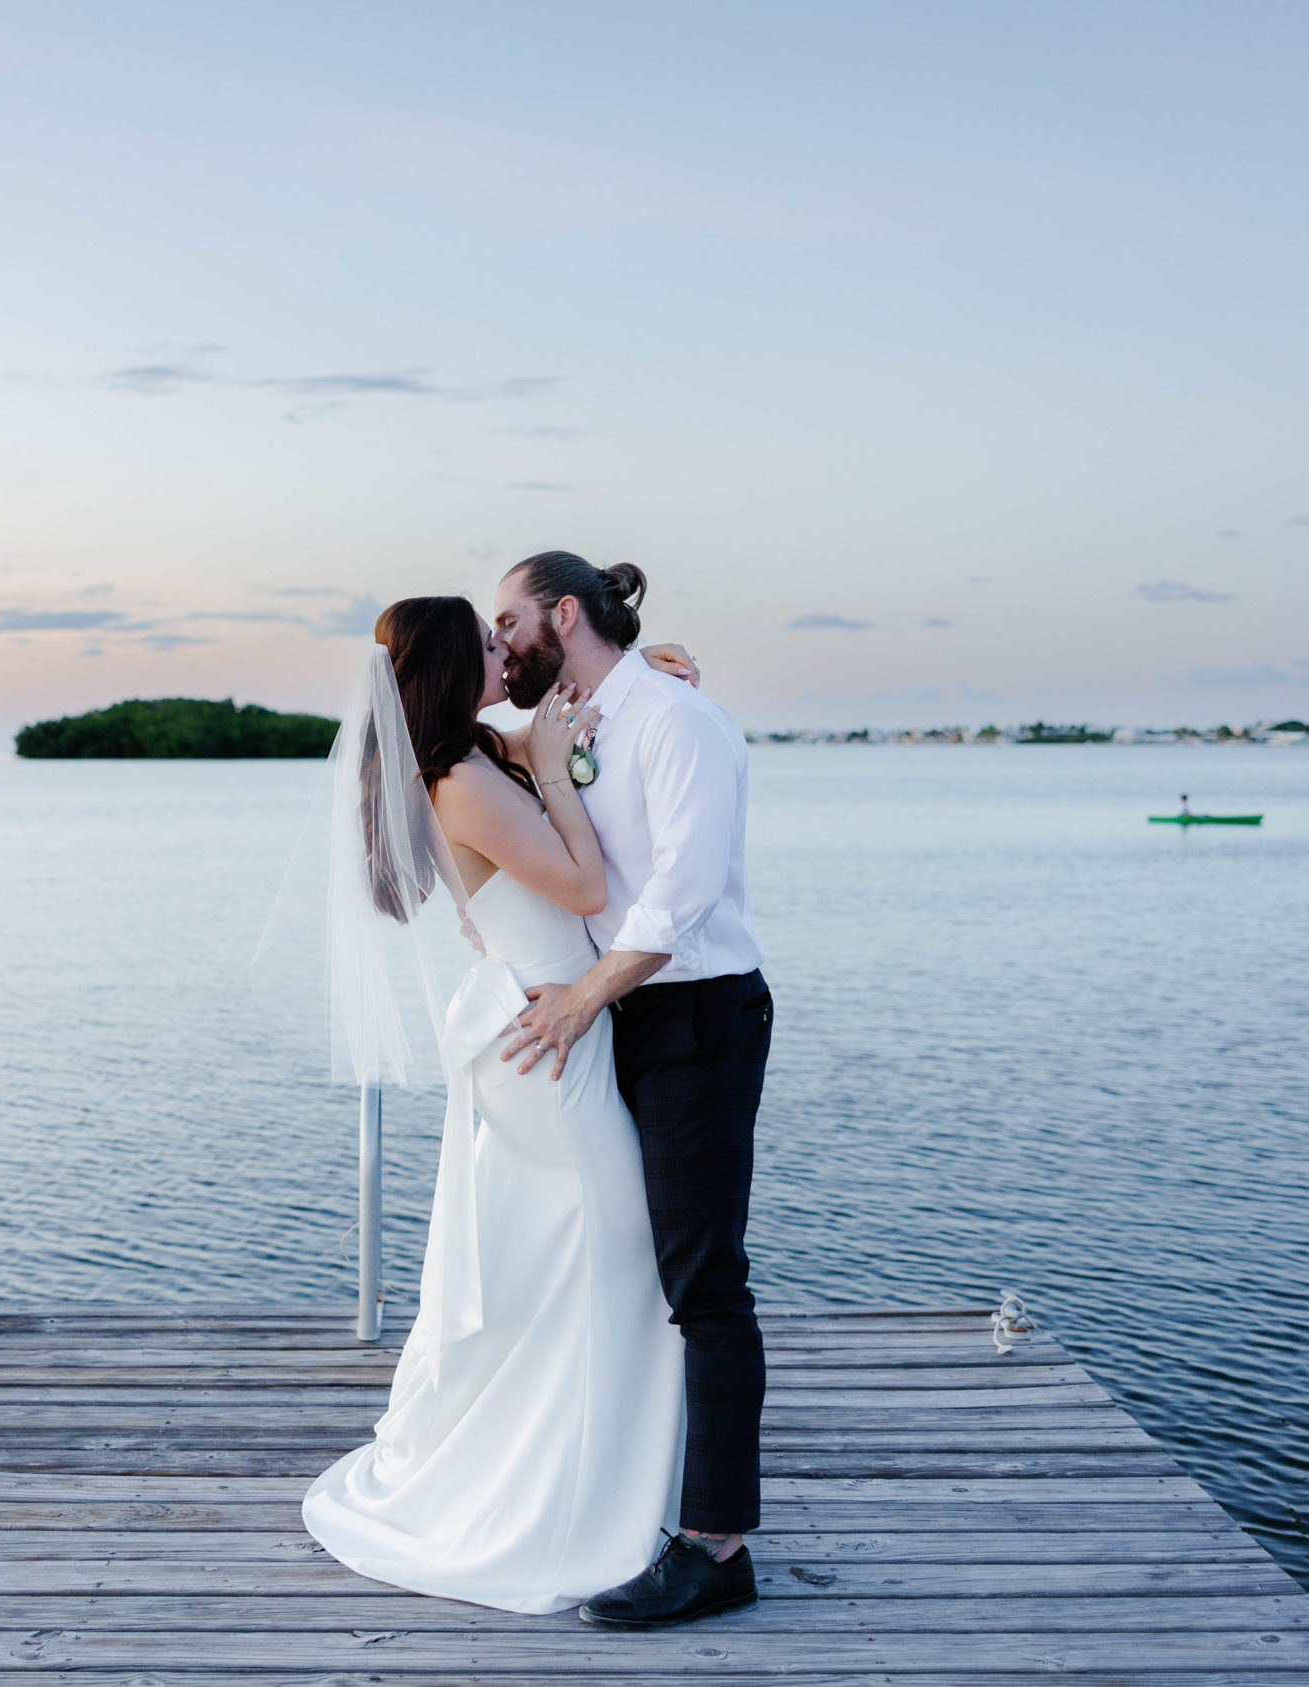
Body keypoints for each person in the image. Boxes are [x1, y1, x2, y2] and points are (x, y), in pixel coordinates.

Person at [298, 597, 706, 1614]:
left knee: (573, 1265)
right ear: (446, 666)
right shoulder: (464, 783)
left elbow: (549, 721)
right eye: (486, 643)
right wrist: (568, 781)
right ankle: (569, 1499)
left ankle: (600, 1476)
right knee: (613, 1256)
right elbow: (578, 882)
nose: (506, 649)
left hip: (541, 1033)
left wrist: (639, 671)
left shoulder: (474, 752)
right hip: (542, 1046)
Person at [493, 551, 770, 1630]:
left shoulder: (676, 719)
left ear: (564, 612)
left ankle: (715, 1546)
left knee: (705, 1281)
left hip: (695, 1014)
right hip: (628, 1014)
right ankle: (635, 1495)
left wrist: (576, 1001)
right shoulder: (582, 709)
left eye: (509, 619)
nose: (500, 639)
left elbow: (684, 897)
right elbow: (495, 761)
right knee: (634, 1260)